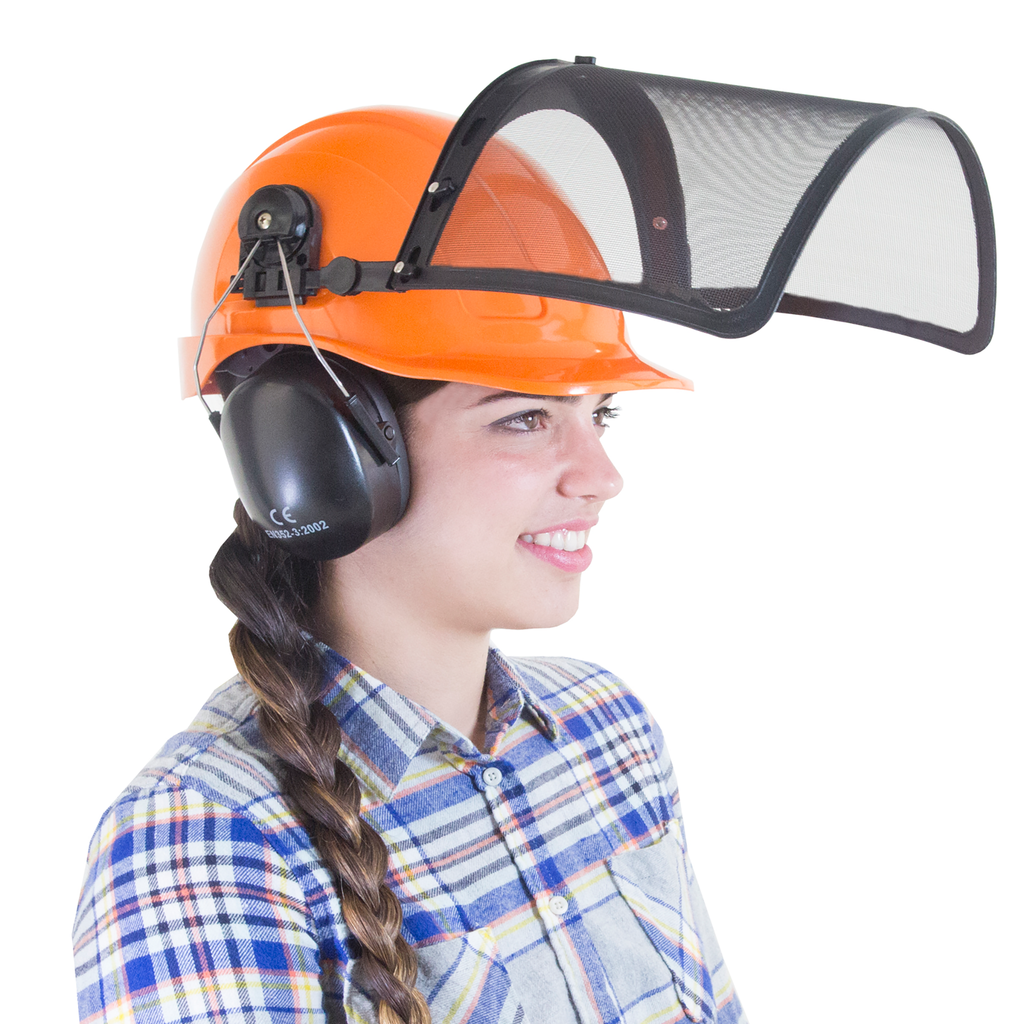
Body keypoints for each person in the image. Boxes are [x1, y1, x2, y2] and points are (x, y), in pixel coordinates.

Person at [73, 106, 745, 1024]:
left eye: (603, 415)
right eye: (524, 417)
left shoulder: (607, 733)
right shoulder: (205, 838)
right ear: (317, 453)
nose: (603, 476)